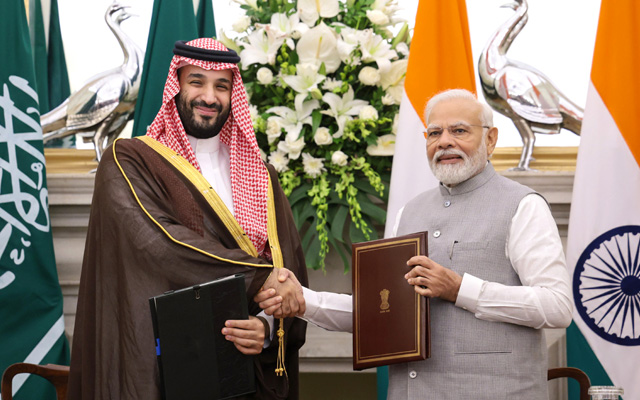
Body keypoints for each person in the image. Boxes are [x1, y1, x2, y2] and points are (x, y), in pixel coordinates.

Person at [257, 88, 573, 399]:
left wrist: (460, 289)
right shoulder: (409, 212)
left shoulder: (522, 205)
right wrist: (304, 300)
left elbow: (557, 307)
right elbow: (378, 310)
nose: (444, 141)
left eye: (459, 130)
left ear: (490, 139)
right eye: (434, 133)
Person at [68, 38, 308, 400]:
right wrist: (258, 277)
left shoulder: (262, 175)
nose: (209, 97)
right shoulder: (130, 160)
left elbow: (288, 266)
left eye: (222, 86)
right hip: (167, 365)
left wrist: (267, 328)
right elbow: (162, 244)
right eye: (197, 82)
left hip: (245, 372)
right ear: (176, 86)